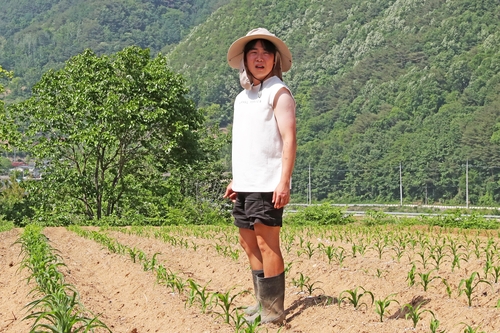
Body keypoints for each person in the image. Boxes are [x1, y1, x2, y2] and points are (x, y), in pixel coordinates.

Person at [224, 28, 296, 325]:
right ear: (245, 60)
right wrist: (236, 179)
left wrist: (283, 181)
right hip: (246, 184)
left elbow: (289, 138)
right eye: (253, 53)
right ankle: (260, 301)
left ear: (275, 60)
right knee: (248, 243)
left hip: (268, 184)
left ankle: (274, 311)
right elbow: (247, 143)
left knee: (268, 245)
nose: (259, 58)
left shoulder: (278, 93)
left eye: (266, 53)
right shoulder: (243, 98)